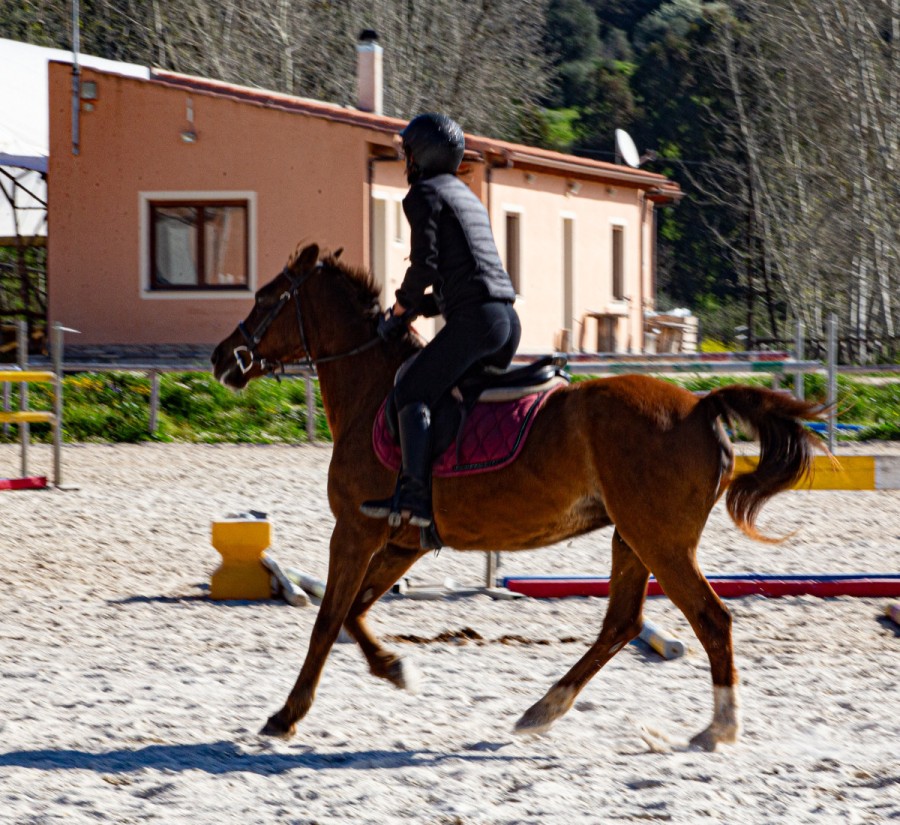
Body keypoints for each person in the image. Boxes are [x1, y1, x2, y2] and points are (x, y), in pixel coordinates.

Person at [360, 112, 521, 532]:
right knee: (443, 394)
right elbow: (461, 278)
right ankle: (454, 486)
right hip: (504, 322)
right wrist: (422, 309)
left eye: (408, 152)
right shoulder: (467, 197)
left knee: (409, 387)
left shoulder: (423, 195)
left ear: (421, 157)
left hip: (476, 324)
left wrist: (398, 311)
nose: (406, 160)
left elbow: (425, 267)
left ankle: (415, 496)